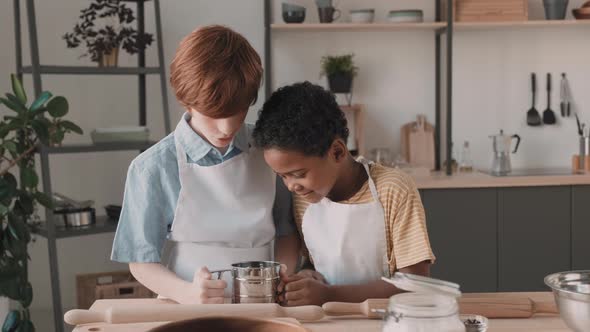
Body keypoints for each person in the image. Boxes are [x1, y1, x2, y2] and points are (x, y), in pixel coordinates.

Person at [111, 25, 300, 304]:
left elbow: (287, 232)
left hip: (262, 302)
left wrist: (282, 275)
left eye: (237, 112)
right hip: (185, 305)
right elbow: (140, 262)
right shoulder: (153, 168)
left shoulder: (271, 150)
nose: (226, 127)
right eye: (213, 114)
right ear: (186, 100)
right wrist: (187, 293)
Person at [252, 82, 436, 306]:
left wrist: (329, 295)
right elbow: (314, 262)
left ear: (337, 152)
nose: (291, 186)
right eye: (282, 176)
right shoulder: (305, 199)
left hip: (387, 322)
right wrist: (308, 274)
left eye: (298, 174)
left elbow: (415, 283)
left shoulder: (393, 190)